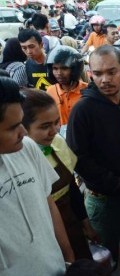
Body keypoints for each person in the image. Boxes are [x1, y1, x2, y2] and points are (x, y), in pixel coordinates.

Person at [66, 45, 120, 266]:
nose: (105, 79)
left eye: (111, 72)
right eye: (98, 73)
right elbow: (78, 158)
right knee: (104, 259)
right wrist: (113, 183)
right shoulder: (83, 110)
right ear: (90, 73)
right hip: (103, 200)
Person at [0, 77, 71, 274]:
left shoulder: (27, 148)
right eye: (13, 127)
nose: (23, 132)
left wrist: (68, 258)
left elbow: (49, 204)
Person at [21, 89, 96, 260]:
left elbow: (72, 189)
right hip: (44, 238)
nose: (54, 130)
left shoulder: (58, 143)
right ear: (23, 127)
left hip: (72, 225)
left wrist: (87, 225)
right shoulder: (18, 162)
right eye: (45, 126)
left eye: (56, 122)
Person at [46, 45, 87, 128]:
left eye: (64, 68)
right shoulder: (50, 91)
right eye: (55, 68)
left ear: (74, 70)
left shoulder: (87, 90)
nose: (59, 73)